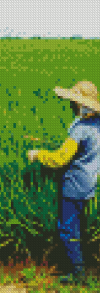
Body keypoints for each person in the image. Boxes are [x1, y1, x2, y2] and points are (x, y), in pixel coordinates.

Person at [28, 81, 100, 285]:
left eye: (72, 102)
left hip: (74, 185)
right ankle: (83, 264)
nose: (70, 105)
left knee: (67, 228)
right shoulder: (97, 124)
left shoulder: (80, 130)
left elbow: (60, 159)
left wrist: (38, 154)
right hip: (89, 183)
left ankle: (77, 272)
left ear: (80, 105)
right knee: (79, 226)